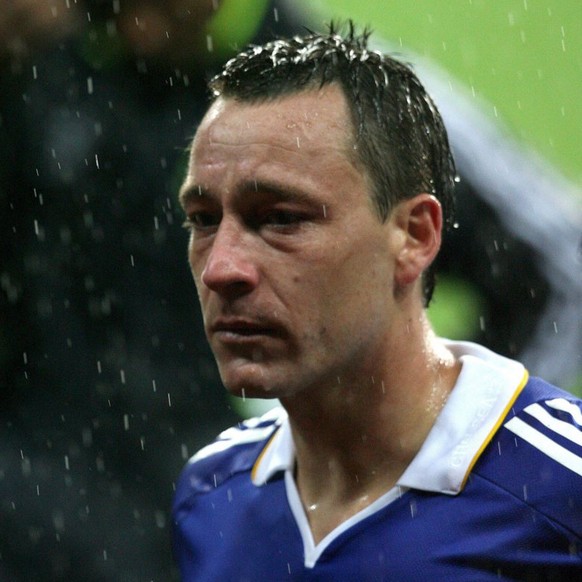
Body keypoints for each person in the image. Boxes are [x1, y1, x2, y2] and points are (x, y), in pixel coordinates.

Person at [172, 23, 582, 580]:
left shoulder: (562, 489)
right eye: (203, 221)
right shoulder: (210, 493)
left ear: (415, 236)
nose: (222, 268)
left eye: (281, 219)